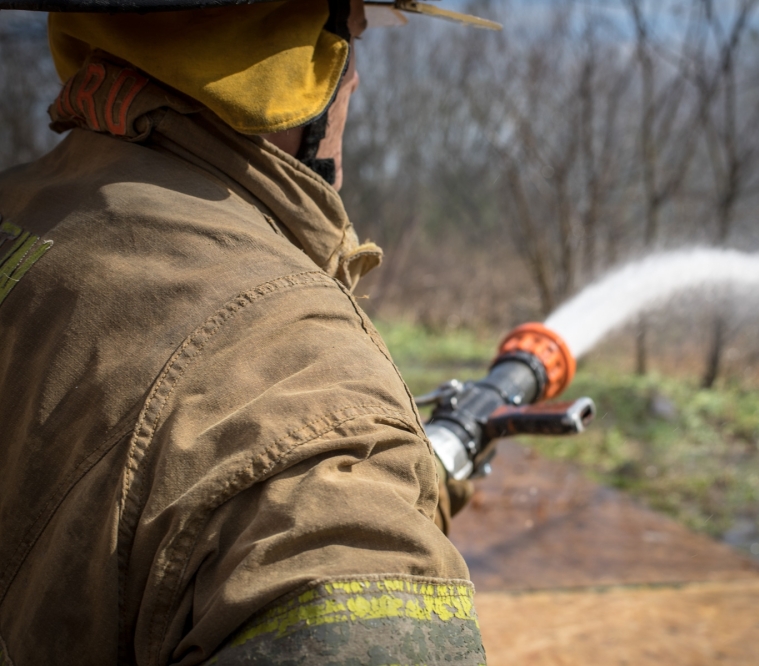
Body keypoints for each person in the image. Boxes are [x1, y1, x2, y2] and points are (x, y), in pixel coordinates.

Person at [0, 0, 491, 663]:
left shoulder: (26, 209)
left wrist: (428, 470)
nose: (356, 80)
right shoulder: (303, 373)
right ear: (287, 64)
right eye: (353, 39)